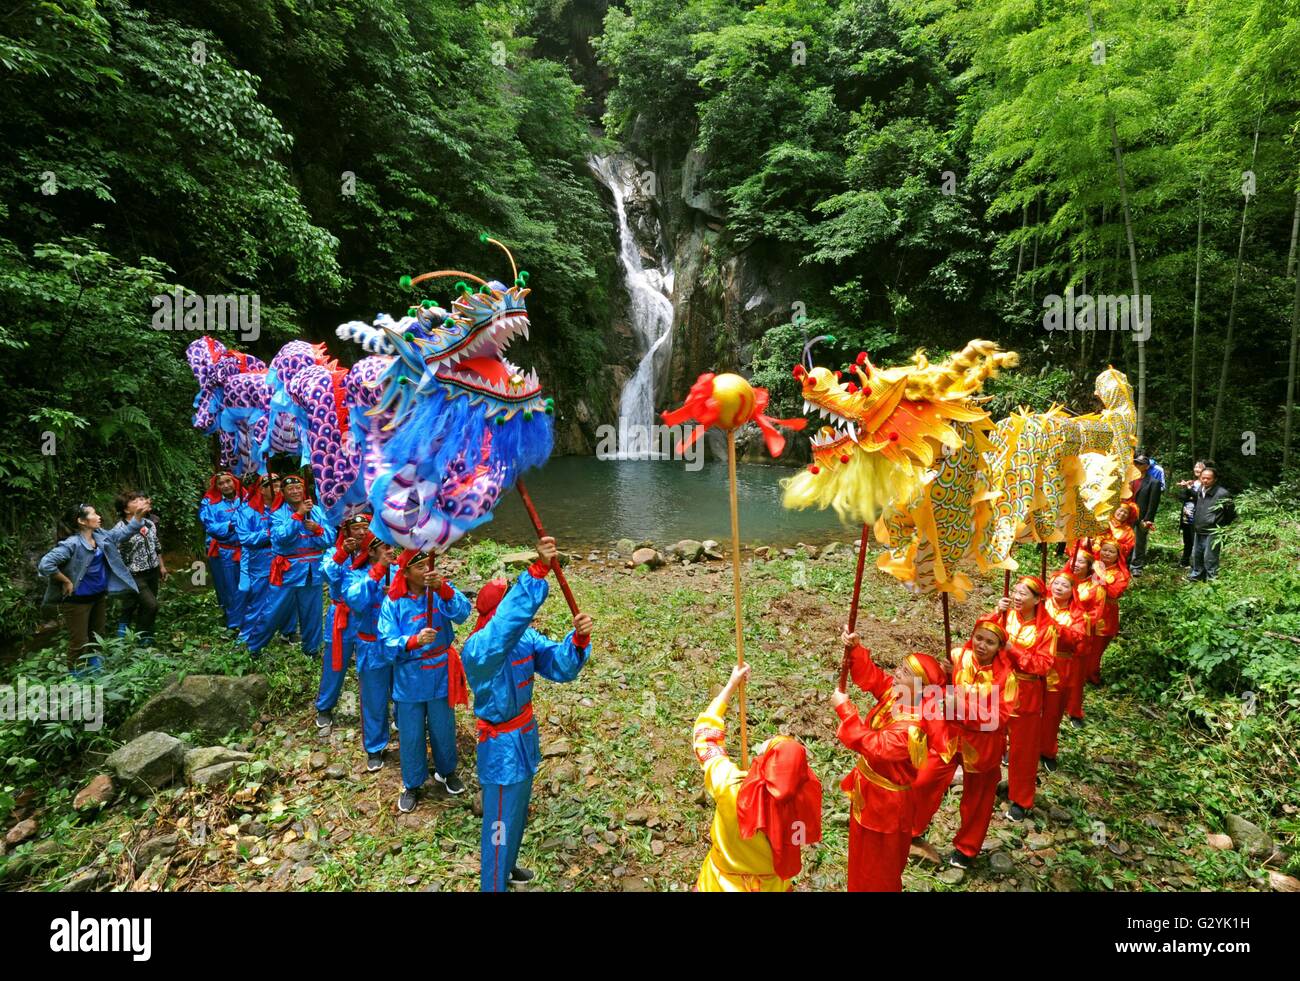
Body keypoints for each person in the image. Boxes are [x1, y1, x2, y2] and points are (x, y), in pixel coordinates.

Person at [460, 536, 596, 891]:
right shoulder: (479, 649)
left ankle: (506, 867)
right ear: (496, 615)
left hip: (524, 737)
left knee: (516, 814)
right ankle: (493, 884)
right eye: (506, 608)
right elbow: (505, 627)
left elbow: (559, 665)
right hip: (500, 746)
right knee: (498, 825)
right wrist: (535, 572)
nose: (514, 617)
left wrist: (577, 641)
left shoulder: (524, 639)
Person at [691, 663, 823, 892]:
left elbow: (705, 738)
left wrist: (731, 686)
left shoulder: (731, 786)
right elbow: (798, 840)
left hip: (722, 884)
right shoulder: (801, 804)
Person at [832, 634, 942, 891]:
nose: (897, 673)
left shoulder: (913, 726)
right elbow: (874, 678)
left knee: (879, 865)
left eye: (904, 672)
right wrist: (855, 648)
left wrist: (845, 710)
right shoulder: (899, 696)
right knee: (861, 855)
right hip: (869, 792)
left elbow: (877, 747)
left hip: (886, 806)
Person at [911, 613, 1014, 869]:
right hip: (949, 736)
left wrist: (963, 706)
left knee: (977, 799)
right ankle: (911, 829)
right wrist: (946, 674)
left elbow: (999, 717)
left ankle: (966, 848)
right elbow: (942, 687)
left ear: (1000, 648)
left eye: (990, 642)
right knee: (924, 781)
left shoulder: (1006, 678)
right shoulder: (960, 657)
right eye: (978, 638)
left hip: (983, 745)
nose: (981, 645)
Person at [378, 547, 472, 813]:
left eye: (427, 566)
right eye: (419, 567)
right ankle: (412, 783)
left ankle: (446, 771)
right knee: (411, 733)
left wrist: (444, 589)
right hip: (409, 676)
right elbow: (385, 642)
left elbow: (463, 614)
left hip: (441, 671)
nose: (426, 571)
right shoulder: (394, 601)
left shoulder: (440, 591)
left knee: (443, 726)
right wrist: (413, 641)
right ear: (405, 572)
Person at [38, 503, 144, 671]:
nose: (99, 517)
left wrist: (138, 516)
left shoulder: (99, 535)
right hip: (77, 601)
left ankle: (97, 670)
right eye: (94, 514)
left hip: (98, 597)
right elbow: (45, 564)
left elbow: (122, 534)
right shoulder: (72, 544)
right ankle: (76, 677)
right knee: (79, 642)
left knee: (98, 637)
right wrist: (66, 581)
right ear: (82, 521)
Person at [246, 474, 334, 657]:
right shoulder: (277, 514)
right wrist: (298, 515)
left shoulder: (318, 511)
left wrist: (317, 530)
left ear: (304, 490)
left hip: (312, 570)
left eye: (298, 487)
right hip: (288, 569)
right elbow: (280, 538)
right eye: (290, 489)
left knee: (313, 612)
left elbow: (330, 539)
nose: (295, 491)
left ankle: (312, 649)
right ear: (283, 493)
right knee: (273, 610)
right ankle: (254, 647)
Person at [995, 575, 1057, 822]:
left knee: (1023, 749)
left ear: (1038, 599)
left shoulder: (1046, 628)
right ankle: (986, 784)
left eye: (1024, 593)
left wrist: (1013, 650)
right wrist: (993, 615)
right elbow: (982, 638)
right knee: (992, 739)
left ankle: (1022, 798)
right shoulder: (1005, 615)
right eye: (1016, 591)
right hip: (998, 687)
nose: (1017, 597)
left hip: (1026, 693)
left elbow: (1043, 665)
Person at [344, 533, 396, 771]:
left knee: (402, 691)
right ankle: (375, 747)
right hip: (371, 643)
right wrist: (377, 573)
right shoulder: (356, 574)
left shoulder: (397, 572)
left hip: (397, 644)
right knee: (373, 698)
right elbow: (355, 600)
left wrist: (395, 595)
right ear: (372, 551)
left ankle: (406, 731)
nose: (389, 550)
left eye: (390, 546)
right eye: (383, 547)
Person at [315, 513, 371, 730]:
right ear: (346, 531)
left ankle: (382, 710)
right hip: (341, 616)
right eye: (356, 528)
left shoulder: (375, 554)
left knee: (374, 664)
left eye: (365, 527)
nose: (361, 532)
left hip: (367, 616)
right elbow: (327, 575)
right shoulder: (333, 552)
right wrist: (342, 554)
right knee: (335, 662)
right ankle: (325, 707)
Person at [1040, 572, 1092, 768]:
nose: (1059, 587)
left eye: (1064, 585)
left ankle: (1047, 750)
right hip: (1034, 663)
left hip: (1060, 666)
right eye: (1056, 583)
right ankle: (1019, 746)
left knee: (1053, 711)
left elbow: (1075, 640)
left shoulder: (1078, 615)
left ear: (1073, 592)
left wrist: (1052, 625)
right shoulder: (1041, 605)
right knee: (1029, 710)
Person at [111, 490, 166, 646]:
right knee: (151, 605)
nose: (141, 502)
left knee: (146, 606)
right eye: (135, 501)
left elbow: (156, 546)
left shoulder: (149, 523)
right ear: (126, 510)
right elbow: (115, 554)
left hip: (152, 571)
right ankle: (138, 639)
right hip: (134, 575)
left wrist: (161, 566)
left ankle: (147, 636)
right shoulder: (119, 529)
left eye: (141, 500)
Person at [199, 470, 245, 631]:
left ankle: (249, 619)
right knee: (227, 587)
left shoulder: (245, 498)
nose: (225, 485)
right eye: (221, 483)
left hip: (246, 549)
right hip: (223, 551)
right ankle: (233, 623)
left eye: (228, 481)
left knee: (247, 585)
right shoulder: (209, 502)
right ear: (216, 486)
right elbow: (210, 525)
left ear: (235, 482)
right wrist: (231, 525)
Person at [1063, 548, 1105, 727]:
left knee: (1077, 676)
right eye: (1074, 559)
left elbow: (1096, 614)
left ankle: (1074, 711)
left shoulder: (1096, 588)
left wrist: (1076, 620)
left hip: (1080, 635)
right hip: (1057, 634)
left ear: (1089, 566)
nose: (1076, 564)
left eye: (1081, 562)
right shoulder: (1062, 581)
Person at [1088, 536, 1131, 685]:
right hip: (1088, 610)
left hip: (1106, 613)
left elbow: (1114, 593)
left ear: (1117, 556)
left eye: (1111, 552)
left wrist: (1101, 576)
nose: (1106, 553)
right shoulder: (1092, 565)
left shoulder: (1121, 574)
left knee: (1097, 647)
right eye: (1104, 550)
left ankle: (1092, 676)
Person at [1189, 463, 1236, 582]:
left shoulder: (1222, 494)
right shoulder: (1200, 489)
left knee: (1210, 557)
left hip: (1213, 530)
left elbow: (1231, 513)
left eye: (1208, 478)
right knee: (1197, 555)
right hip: (1199, 527)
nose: (1205, 480)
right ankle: (1196, 576)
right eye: (1203, 477)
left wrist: (1219, 524)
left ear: (1215, 479)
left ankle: (1212, 579)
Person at [1130, 454, 1162, 575]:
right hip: (1128, 515)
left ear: (1147, 466)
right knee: (1126, 539)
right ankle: (1125, 562)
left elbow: (1153, 503)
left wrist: (1148, 519)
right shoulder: (1130, 480)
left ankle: (1137, 566)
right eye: (1136, 463)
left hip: (1142, 516)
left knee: (1140, 541)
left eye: (1140, 463)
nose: (1137, 465)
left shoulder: (1154, 482)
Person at [1177, 461, 1207, 566]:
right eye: (1195, 467)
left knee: (1196, 542)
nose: (1197, 469)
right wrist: (1186, 488)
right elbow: (1182, 497)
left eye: (1199, 468)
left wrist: (1190, 490)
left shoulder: (1205, 484)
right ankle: (1184, 562)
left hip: (1197, 517)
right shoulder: (1192, 482)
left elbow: (1199, 498)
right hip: (1186, 515)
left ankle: (1197, 565)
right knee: (1187, 540)